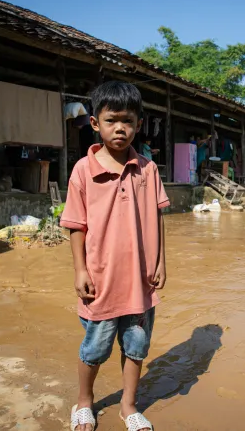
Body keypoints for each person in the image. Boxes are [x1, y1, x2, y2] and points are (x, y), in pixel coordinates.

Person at [61, 81, 169, 431]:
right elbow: (76, 225)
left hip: (140, 283)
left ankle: (128, 406)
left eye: (128, 121)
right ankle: (84, 402)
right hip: (101, 281)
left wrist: (160, 262)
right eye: (111, 120)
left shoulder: (148, 170)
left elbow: (157, 218)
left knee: (136, 347)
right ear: (95, 123)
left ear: (139, 124)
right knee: (94, 349)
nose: (120, 128)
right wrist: (80, 270)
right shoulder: (83, 170)